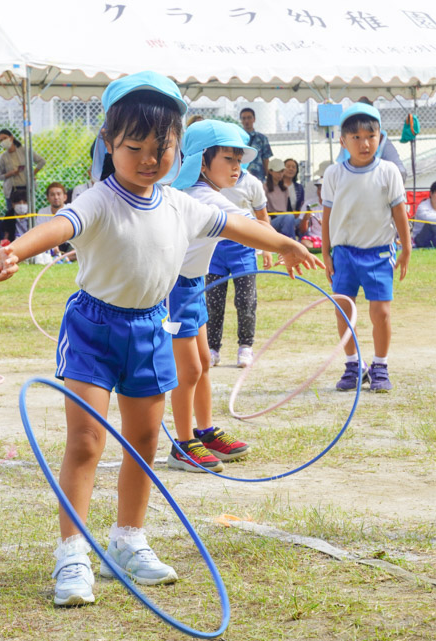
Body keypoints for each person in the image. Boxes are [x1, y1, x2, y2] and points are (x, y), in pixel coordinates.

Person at [0, 71, 320, 608]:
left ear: (178, 147)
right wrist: (16, 252)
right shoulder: (99, 199)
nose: (147, 158)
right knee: (87, 441)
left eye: (160, 147)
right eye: (133, 147)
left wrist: (283, 243)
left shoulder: (181, 205)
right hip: (93, 329)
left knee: (143, 442)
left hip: (149, 329)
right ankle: (72, 550)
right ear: (109, 146)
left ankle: (128, 540)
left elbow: (236, 226)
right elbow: (59, 226)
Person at [169, 121, 306, 473]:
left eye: (240, 160)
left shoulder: (208, 193)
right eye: (229, 158)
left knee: (201, 363)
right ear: (201, 161)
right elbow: (250, 226)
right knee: (187, 371)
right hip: (173, 293)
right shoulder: (199, 197)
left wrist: (283, 244)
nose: (238, 167)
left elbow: (255, 224)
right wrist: (288, 246)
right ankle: (182, 445)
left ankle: (204, 431)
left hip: (192, 286)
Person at [322, 103, 411, 393]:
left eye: (370, 136)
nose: (364, 143)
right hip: (344, 253)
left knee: (380, 313)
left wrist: (407, 249)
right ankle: (353, 366)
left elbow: (400, 213)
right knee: (343, 311)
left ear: (380, 137)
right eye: (356, 137)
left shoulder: (388, 171)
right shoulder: (334, 174)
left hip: (379, 253)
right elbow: (327, 216)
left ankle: (381, 366)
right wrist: (326, 252)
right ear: (343, 141)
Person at [211, 151, 274, 368]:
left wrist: (267, 248)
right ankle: (212, 348)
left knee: (246, 300)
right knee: (213, 301)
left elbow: (262, 217)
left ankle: (245, 347)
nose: (234, 165)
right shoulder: (211, 181)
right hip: (214, 249)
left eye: (238, 160)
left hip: (244, 249)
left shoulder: (252, 183)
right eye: (228, 158)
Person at [0, 128, 45, 211]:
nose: (3, 141)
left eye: (5, 138)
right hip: (12, 190)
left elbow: (41, 161)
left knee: (29, 213)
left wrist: (32, 173)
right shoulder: (3, 157)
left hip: (27, 188)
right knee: (13, 213)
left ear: (11, 137)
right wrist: (10, 173)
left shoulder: (24, 150)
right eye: (1, 140)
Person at [239, 107, 271, 181]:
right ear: (241, 120)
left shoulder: (262, 139)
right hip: (240, 179)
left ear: (254, 119)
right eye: (243, 118)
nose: (246, 121)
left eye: (249, 117)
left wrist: (268, 180)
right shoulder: (237, 138)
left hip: (258, 178)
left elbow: (266, 160)